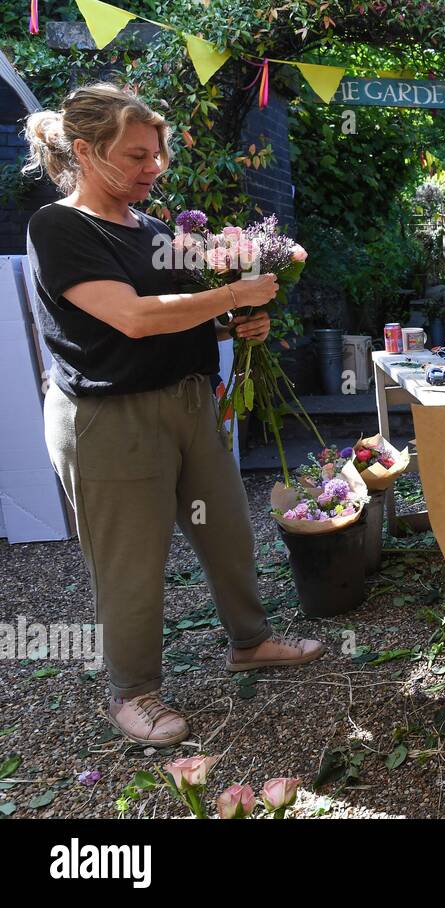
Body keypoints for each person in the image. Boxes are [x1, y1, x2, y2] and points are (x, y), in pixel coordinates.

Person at [23, 81, 323, 748]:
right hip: (110, 419)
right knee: (132, 562)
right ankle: (133, 694)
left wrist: (238, 327)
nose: (153, 167)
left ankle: (251, 641)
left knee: (227, 534)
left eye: (157, 154)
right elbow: (130, 319)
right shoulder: (58, 227)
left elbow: (180, 323)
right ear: (85, 152)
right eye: (136, 156)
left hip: (187, 405)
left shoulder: (156, 231)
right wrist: (230, 295)